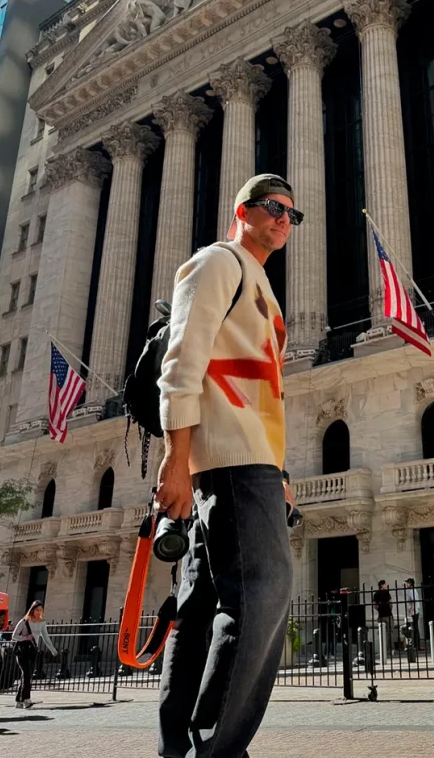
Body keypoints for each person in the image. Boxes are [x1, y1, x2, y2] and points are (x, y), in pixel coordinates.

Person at [156, 174, 299, 758]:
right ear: (242, 210)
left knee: (201, 608)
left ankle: (179, 748)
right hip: (229, 462)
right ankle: (218, 747)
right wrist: (176, 456)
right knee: (262, 593)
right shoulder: (217, 264)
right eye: (272, 208)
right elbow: (183, 360)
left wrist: (281, 472)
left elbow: (265, 393)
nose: (283, 219)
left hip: (251, 459)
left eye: (292, 213)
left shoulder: (262, 282)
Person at [11, 601, 57, 709]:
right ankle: (26, 699)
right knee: (26, 673)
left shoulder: (42, 622)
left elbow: (46, 638)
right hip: (22, 651)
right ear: (32, 609)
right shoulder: (24, 621)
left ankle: (19, 700)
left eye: (40, 610)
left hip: (32, 651)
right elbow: (14, 636)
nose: (38, 612)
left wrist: (53, 650)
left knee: (26, 675)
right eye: (37, 610)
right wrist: (25, 638)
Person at [373, 580, 393, 653]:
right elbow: (391, 604)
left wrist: (379, 610)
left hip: (381, 615)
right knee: (390, 632)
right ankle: (390, 649)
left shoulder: (376, 594)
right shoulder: (387, 593)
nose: (386, 585)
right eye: (385, 584)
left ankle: (383, 649)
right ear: (382, 585)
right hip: (388, 614)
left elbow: (374, 605)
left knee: (381, 632)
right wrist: (389, 609)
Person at [405, 578, 421, 651]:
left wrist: (410, 613)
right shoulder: (414, 591)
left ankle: (415, 645)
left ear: (410, 584)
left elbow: (413, 602)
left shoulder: (412, 591)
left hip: (414, 612)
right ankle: (417, 645)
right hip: (416, 611)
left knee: (413, 629)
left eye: (408, 583)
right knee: (415, 628)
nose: (407, 584)